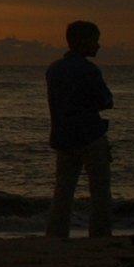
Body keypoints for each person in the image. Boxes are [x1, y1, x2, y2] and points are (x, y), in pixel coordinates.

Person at [45, 20, 114, 238]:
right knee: (100, 190)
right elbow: (104, 100)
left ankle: (56, 234)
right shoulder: (89, 70)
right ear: (82, 42)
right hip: (90, 136)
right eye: (95, 40)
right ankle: (100, 234)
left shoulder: (54, 70)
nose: (98, 45)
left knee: (63, 191)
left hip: (64, 136)